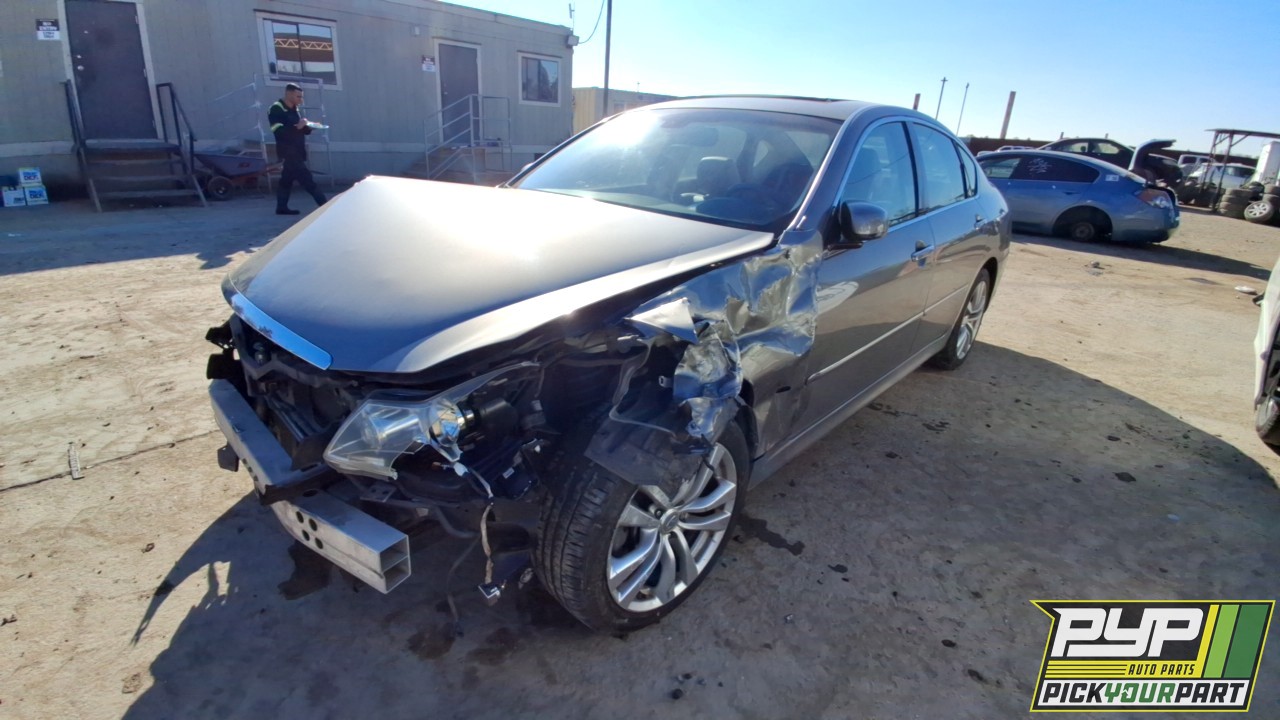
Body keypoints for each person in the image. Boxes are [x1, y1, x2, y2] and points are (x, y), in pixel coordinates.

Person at [269, 83, 326, 215]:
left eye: (302, 97)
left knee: (286, 180)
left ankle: (281, 208)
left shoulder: (295, 108)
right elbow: (278, 131)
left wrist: (309, 126)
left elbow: (301, 130)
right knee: (308, 180)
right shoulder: (276, 109)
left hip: (297, 150)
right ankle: (326, 207)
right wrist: (298, 127)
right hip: (288, 152)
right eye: (298, 96)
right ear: (288, 94)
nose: (301, 100)